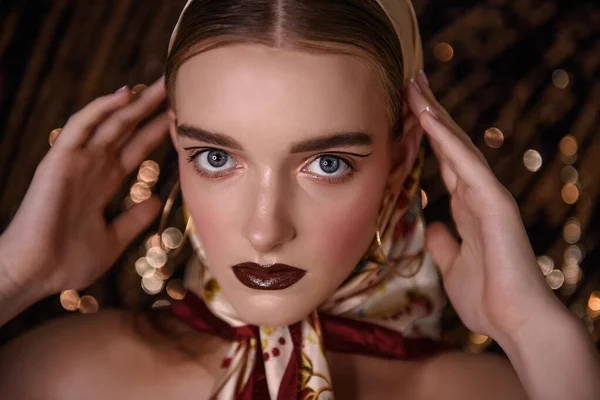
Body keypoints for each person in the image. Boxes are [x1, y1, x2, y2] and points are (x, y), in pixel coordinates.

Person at [0, 0, 598, 398]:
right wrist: (13, 274)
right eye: (216, 158)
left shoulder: (508, 390)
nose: (265, 230)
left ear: (400, 159)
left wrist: (533, 331)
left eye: (327, 164)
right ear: (177, 145)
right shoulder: (56, 376)